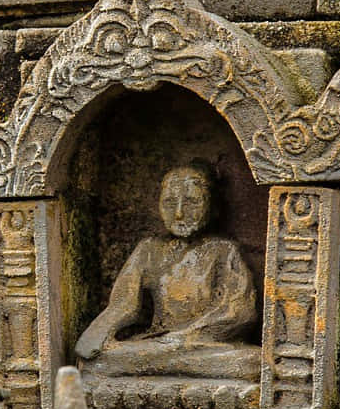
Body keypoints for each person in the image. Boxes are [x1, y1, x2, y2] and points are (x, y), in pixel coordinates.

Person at [74, 161, 260, 380]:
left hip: (201, 347)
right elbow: (124, 304)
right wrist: (95, 335)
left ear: (213, 206)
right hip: (157, 345)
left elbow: (239, 311)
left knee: (251, 362)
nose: (179, 213)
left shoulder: (224, 250)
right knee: (97, 362)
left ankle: (165, 363)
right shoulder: (149, 249)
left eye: (191, 202)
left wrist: (184, 338)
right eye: (170, 203)